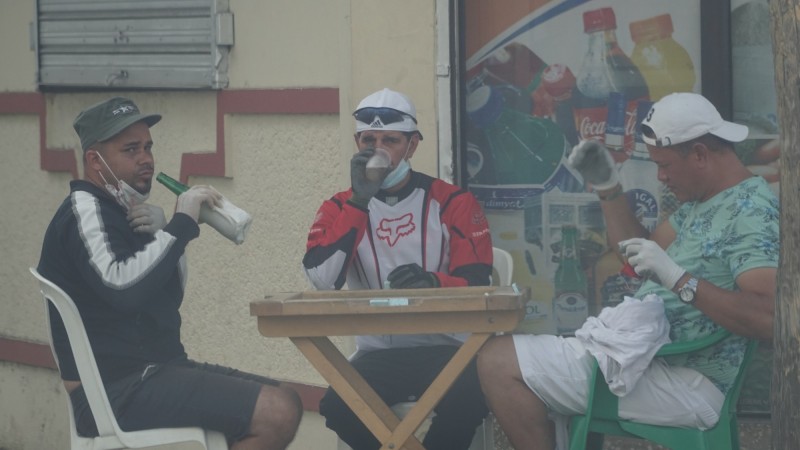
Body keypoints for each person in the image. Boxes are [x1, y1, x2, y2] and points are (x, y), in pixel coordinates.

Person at [476, 92, 779, 450]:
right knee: (514, 367)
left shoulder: (751, 211)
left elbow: (768, 317)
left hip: (686, 383)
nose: (661, 177)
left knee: (497, 362)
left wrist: (678, 280)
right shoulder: (705, 201)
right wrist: (609, 188)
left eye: (665, 165)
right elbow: (634, 254)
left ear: (699, 154)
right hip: (649, 365)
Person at [36, 97, 302, 449]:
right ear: (95, 160)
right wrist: (179, 226)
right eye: (131, 149)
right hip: (111, 389)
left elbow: (168, 296)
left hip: (157, 369)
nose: (145, 158)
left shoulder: (123, 208)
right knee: (276, 412)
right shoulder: (84, 210)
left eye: (148, 147)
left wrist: (163, 235)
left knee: (287, 398)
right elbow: (122, 289)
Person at [302, 88, 494, 449]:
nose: (378, 149)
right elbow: (323, 282)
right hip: (378, 353)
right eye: (368, 140)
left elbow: (478, 284)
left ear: (412, 145)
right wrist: (360, 200)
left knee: (470, 398)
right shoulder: (338, 206)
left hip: (449, 349)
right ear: (357, 143)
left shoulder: (453, 200)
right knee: (338, 407)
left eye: (390, 140)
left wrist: (433, 282)